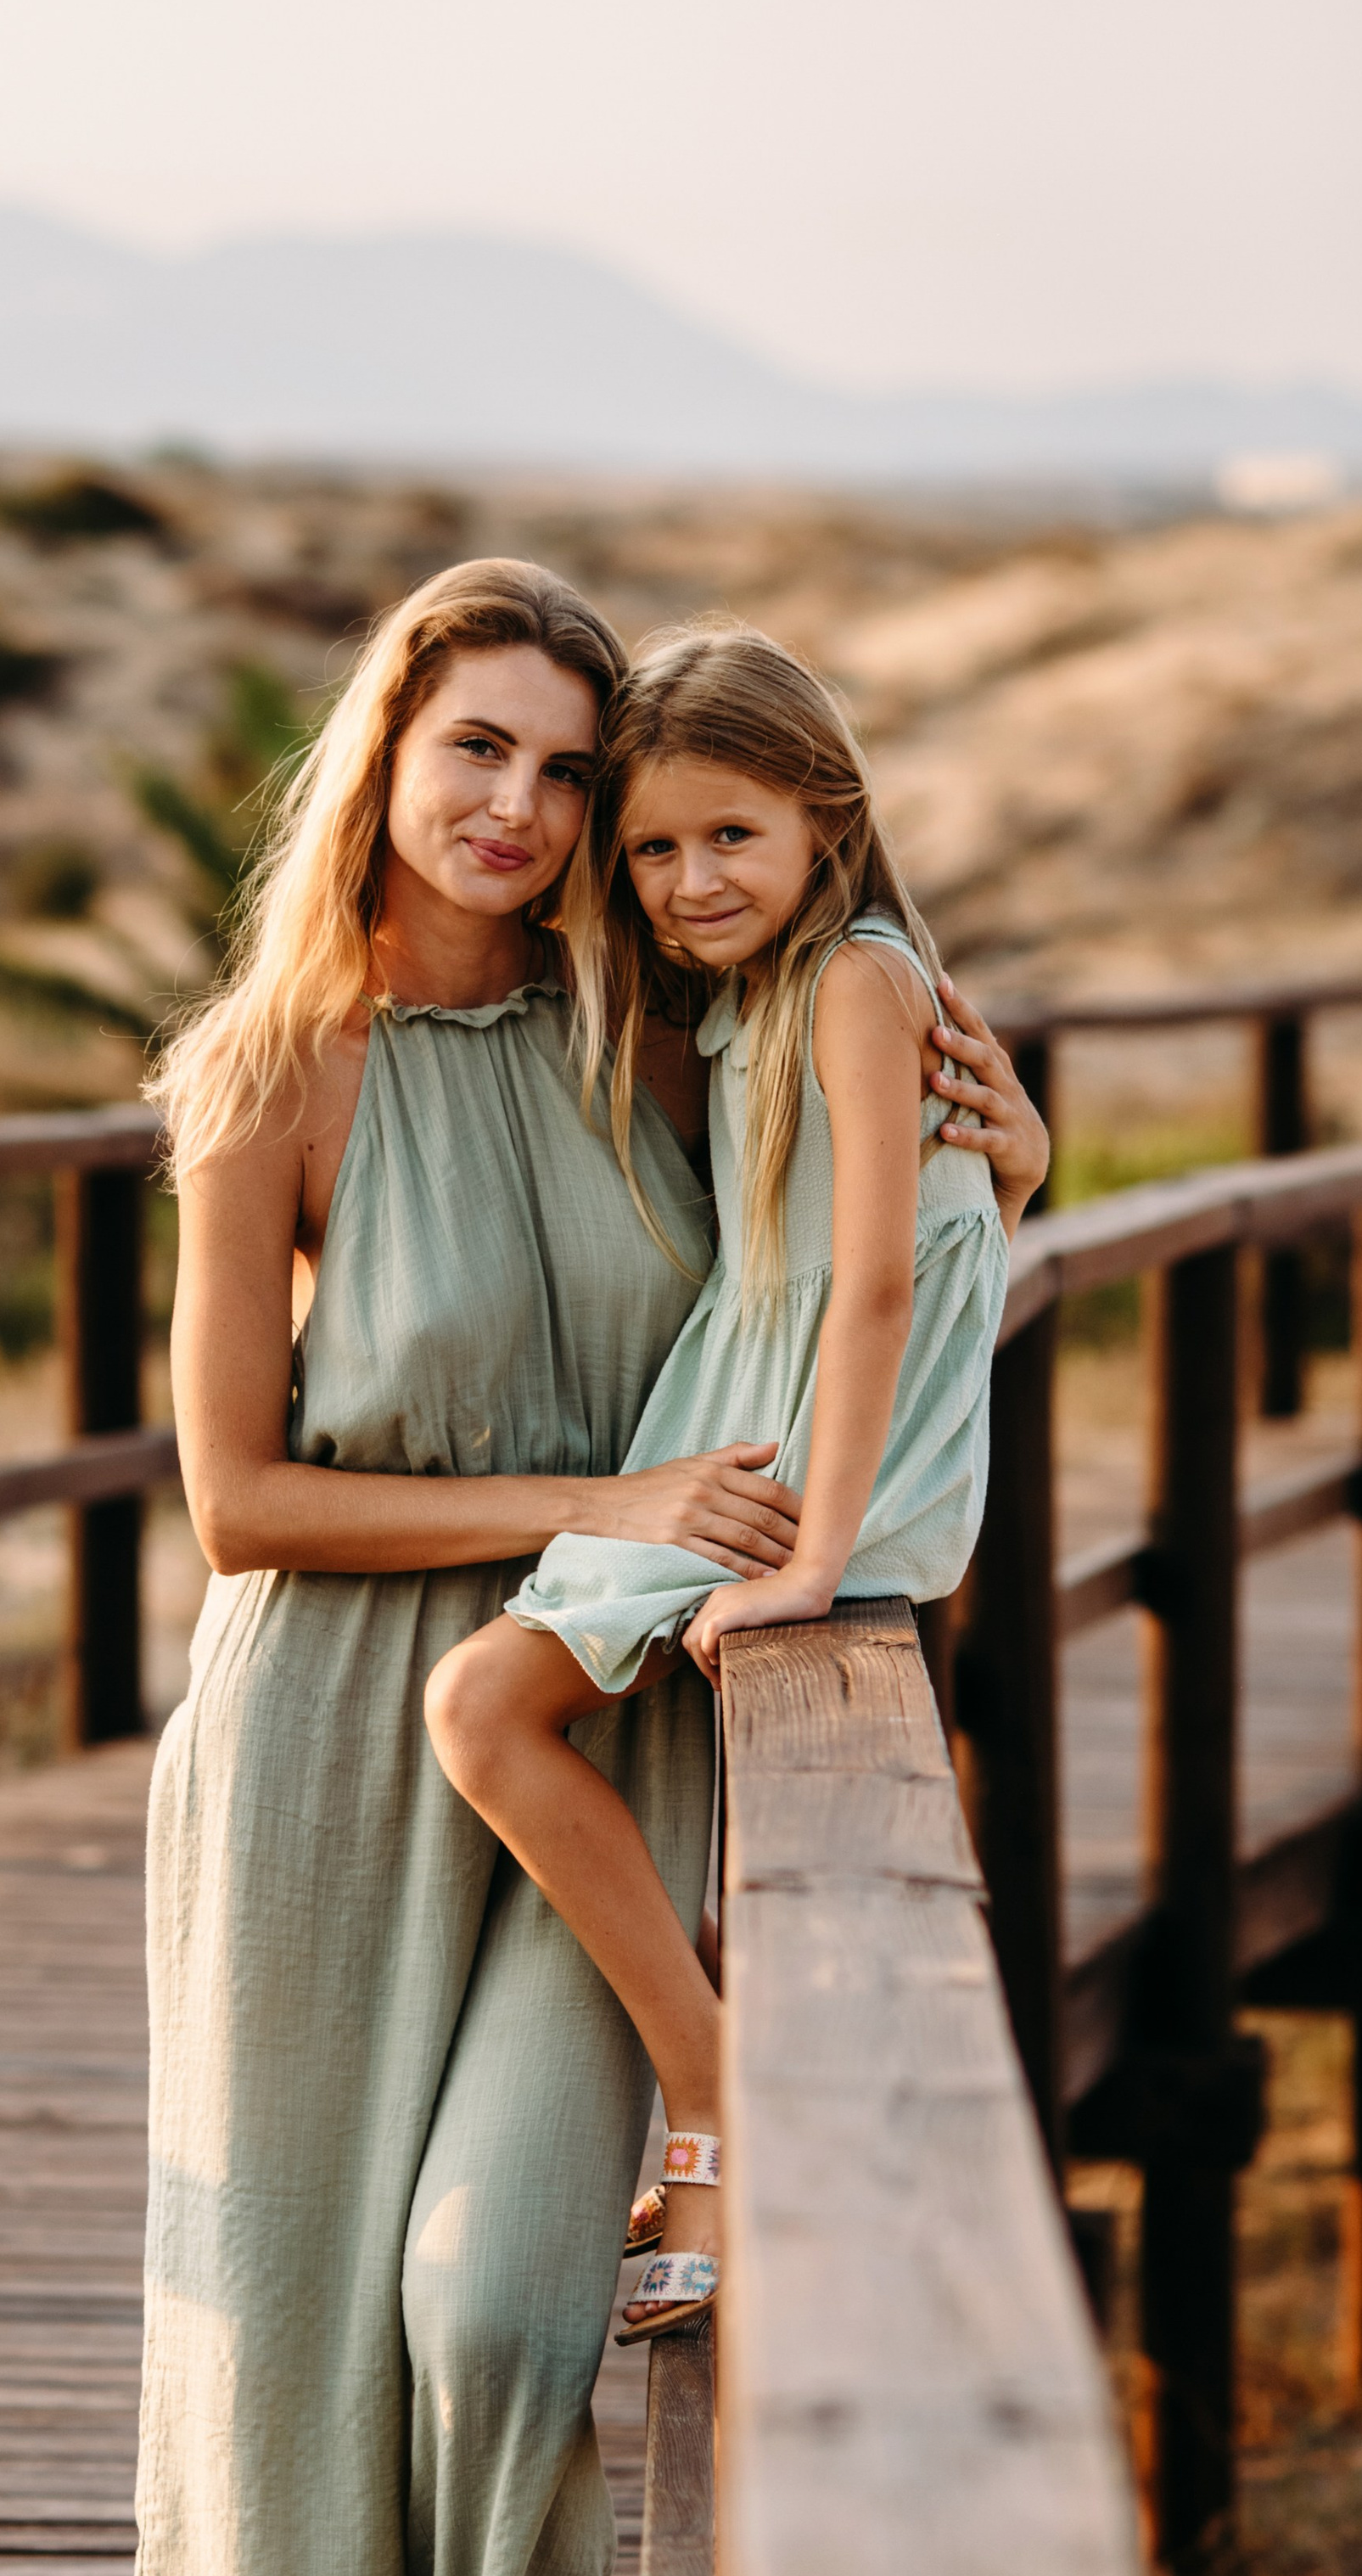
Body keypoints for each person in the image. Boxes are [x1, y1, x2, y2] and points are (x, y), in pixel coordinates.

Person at [116, 564, 1047, 2576]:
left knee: (503, 2298)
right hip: (324, 1746)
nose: (528, 814)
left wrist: (1014, 1143)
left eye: (568, 770)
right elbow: (235, 1501)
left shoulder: (660, 1011)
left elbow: (861, 1236)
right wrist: (591, 1508)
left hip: (593, 1744)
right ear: (383, 763)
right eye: (480, 758)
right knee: (302, 2322)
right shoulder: (264, 1080)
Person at [426, 624, 1029, 2352]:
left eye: (729, 838)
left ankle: (711, 2097)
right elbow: (930, 1209)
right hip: (759, 1421)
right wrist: (1026, 1171)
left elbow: (884, 1281)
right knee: (495, 1711)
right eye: (653, 849)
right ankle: (713, 2088)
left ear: (824, 817)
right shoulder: (761, 989)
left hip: (798, 1464)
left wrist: (815, 1548)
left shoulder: (851, 975)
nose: (688, 881)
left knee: (479, 1703)